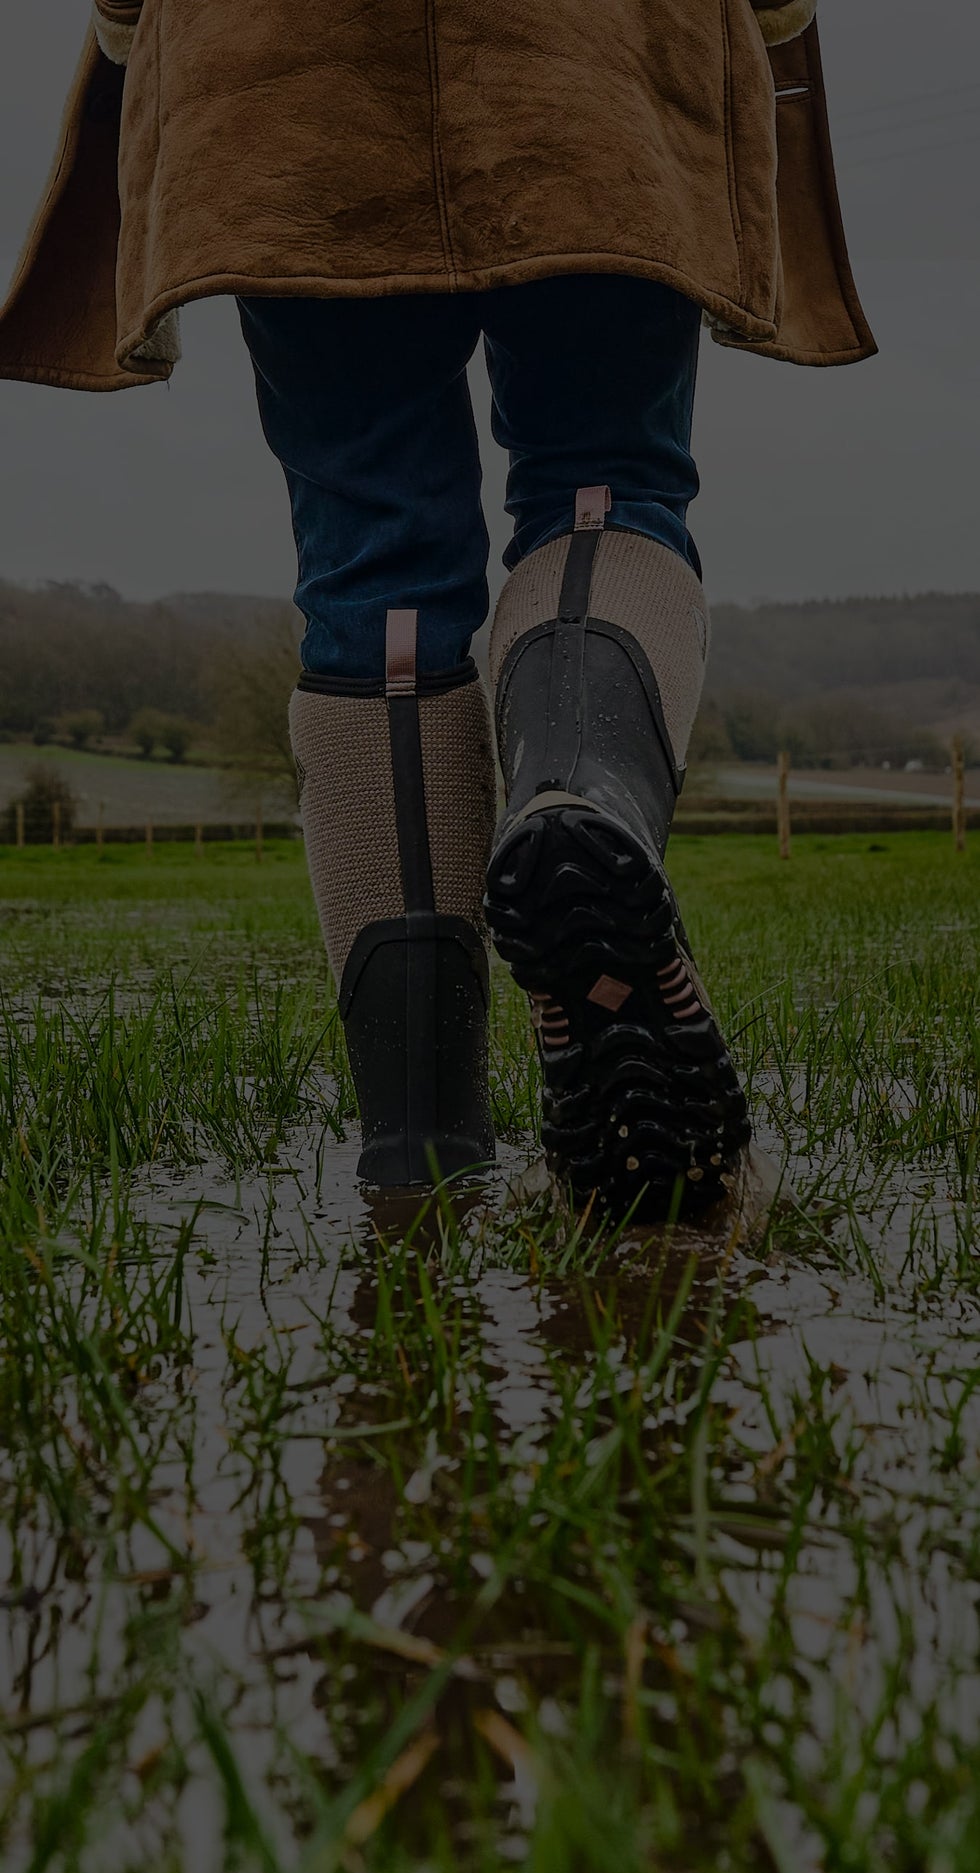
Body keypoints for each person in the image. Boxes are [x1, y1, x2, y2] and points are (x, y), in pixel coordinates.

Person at [0, 1, 874, 1212]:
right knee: (598, 485)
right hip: (596, 53)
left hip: (278, 72)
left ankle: (417, 1154)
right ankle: (574, 794)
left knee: (373, 577)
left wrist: (124, 29)